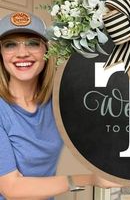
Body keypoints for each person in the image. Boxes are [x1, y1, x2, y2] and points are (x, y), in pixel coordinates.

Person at [0, 12, 118, 200]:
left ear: (46, 51)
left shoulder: (59, 102)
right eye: (10, 45)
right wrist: (88, 179)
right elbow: (12, 189)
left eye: (33, 43)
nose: (22, 53)